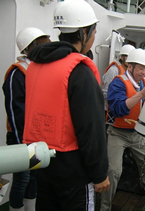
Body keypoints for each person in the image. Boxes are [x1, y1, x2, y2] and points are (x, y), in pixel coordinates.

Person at [22, 0, 109, 210]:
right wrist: (99, 174)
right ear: (83, 33)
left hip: (42, 164)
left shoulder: (35, 65)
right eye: (94, 32)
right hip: (74, 174)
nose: (94, 38)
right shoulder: (79, 71)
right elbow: (90, 128)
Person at [101, 48, 145, 211]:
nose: (144, 73)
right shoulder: (118, 82)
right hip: (117, 133)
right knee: (114, 171)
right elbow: (118, 109)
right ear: (130, 67)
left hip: (136, 133)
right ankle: (105, 206)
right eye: (141, 68)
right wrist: (141, 94)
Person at [2, 27, 51, 211]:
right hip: (21, 138)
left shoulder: (38, 70)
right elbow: (16, 112)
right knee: (22, 179)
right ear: (30, 48)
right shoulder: (17, 73)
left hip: (38, 138)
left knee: (34, 179)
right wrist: (22, 143)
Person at [102, 44, 135, 113]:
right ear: (121, 57)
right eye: (127, 56)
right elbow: (105, 91)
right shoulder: (113, 70)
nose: (129, 60)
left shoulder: (129, 72)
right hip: (109, 110)